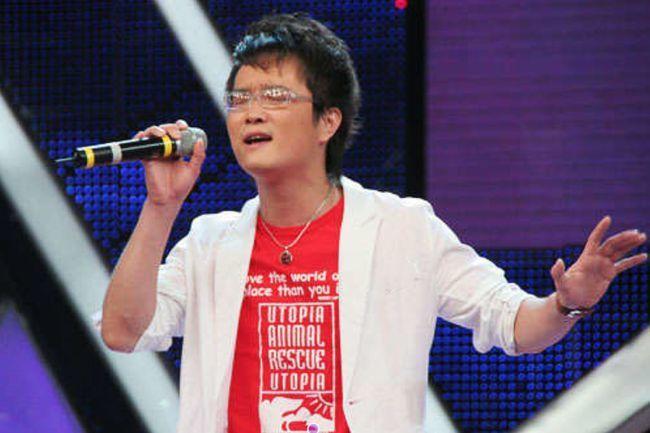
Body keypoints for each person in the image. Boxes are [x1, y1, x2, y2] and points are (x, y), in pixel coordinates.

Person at [97, 12, 648, 433]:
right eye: (239, 100)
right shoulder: (210, 243)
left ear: (327, 122)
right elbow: (122, 331)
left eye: (275, 96)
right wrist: (161, 206)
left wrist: (566, 303)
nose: (251, 112)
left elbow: (513, 325)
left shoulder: (402, 229)